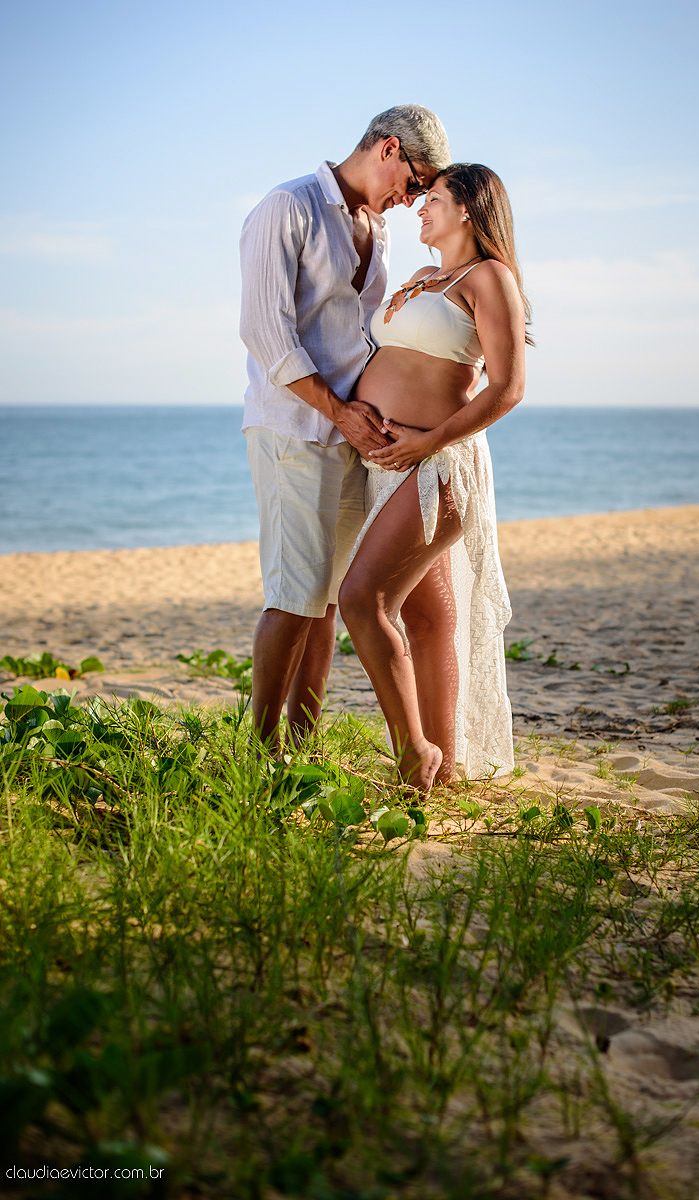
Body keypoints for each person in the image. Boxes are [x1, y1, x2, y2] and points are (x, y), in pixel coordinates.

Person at [239, 105, 451, 751]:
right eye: (414, 183)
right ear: (388, 148)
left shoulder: (373, 228)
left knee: (326, 599)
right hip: (296, 429)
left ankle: (300, 750)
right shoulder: (288, 206)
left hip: (353, 438)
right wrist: (339, 412)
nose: (411, 200)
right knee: (292, 596)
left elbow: (359, 334)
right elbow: (265, 333)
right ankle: (260, 752)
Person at [338, 164, 531, 791]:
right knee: (428, 618)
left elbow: (506, 387)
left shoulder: (489, 278)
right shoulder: (423, 277)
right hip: (386, 464)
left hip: (437, 468)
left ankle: (412, 751)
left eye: (435, 200)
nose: (419, 208)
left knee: (363, 600)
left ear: (469, 209)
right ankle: (441, 768)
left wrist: (430, 439)